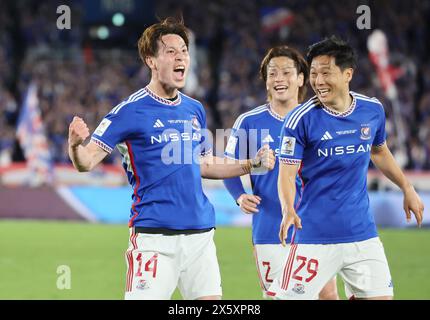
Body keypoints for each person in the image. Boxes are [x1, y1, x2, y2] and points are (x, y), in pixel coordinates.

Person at [67, 17, 275, 300]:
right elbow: (86, 161)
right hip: (154, 238)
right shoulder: (129, 111)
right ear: (151, 60)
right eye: (171, 52)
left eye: (184, 51)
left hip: (200, 235)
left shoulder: (194, 109)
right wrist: (76, 145)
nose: (181, 58)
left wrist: (251, 165)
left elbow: (203, 162)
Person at [267, 36, 424, 300]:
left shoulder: (372, 110)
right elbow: (287, 172)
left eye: (326, 73)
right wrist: (287, 209)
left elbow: (379, 151)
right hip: (313, 235)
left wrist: (407, 187)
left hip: (361, 234)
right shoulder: (300, 120)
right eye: (314, 74)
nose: (318, 81)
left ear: (347, 74)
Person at [223, 46, 338, 299]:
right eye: (272, 73)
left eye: (287, 72)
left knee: (328, 296)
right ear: (266, 82)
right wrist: (239, 195)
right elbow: (226, 164)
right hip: (270, 230)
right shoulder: (248, 122)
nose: (279, 79)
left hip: (315, 228)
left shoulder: (321, 119)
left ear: (300, 79)